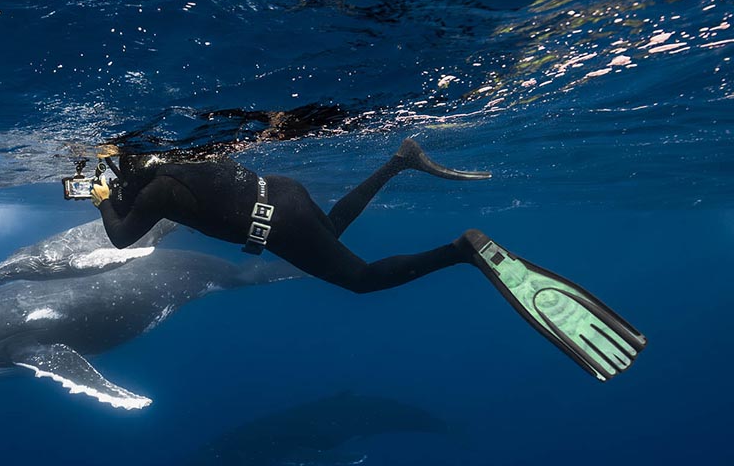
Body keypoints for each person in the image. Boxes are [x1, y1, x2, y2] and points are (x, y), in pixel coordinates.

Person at [90, 139, 646, 381]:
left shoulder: (157, 189)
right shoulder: (180, 158)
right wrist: (116, 173)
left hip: (271, 222)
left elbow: (121, 237)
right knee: (326, 232)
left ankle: (463, 251)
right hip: (282, 192)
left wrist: (100, 197)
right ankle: (399, 160)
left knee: (358, 280)